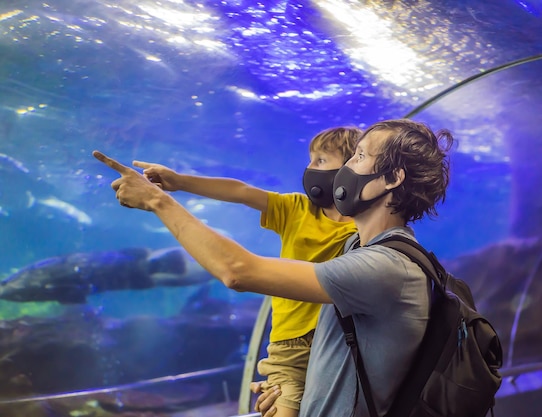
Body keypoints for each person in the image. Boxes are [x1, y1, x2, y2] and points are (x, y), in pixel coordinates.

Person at [93, 118, 454, 417]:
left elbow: (237, 271)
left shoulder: (381, 266)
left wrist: (158, 200)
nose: (345, 170)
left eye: (359, 157)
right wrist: (293, 385)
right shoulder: (356, 248)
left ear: (392, 180)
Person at [129, 127, 361, 417]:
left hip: (339, 341)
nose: (310, 168)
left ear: (352, 168)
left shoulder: (364, 228)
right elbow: (241, 192)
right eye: (310, 160)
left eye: (321, 161)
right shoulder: (296, 209)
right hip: (290, 344)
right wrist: (180, 182)